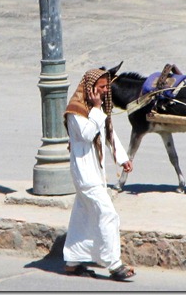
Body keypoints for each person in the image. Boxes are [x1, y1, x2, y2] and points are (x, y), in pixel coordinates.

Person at [62, 68, 135, 281]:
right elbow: (86, 134)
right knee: (108, 214)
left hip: (96, 174)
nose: (104, 91)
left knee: (82, 217)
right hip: (86, 175)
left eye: (106, 87)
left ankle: (73, 262)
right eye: (101, 87)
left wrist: (122, 158)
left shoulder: (96, 110)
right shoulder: (76, 111)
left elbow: (108, 134)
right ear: (90, 88)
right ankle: (114, 264)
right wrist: (96, 109)